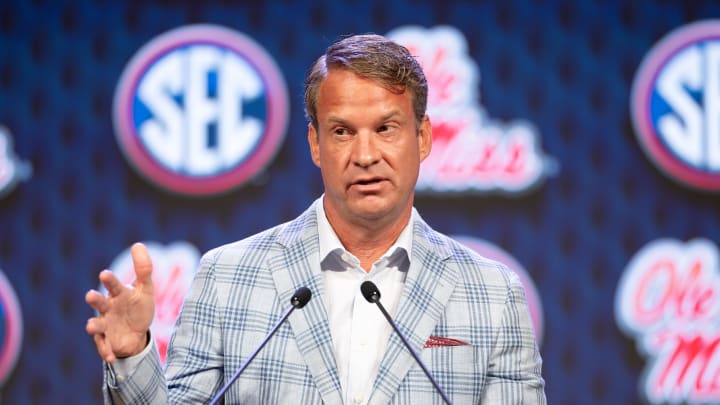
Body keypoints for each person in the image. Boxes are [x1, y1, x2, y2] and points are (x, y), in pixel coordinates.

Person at [85, 33, 546, 404]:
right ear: (315, 144)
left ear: (423, 138)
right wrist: (133, 356)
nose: (366, 156)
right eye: (343, 132)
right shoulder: (227, 277)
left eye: (386, 129)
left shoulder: (492, 294)